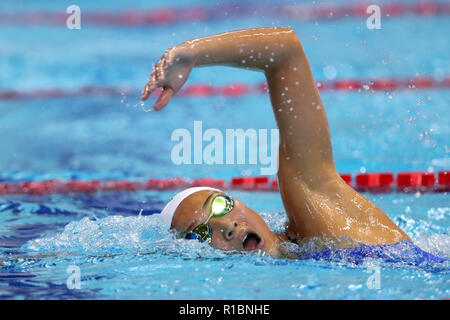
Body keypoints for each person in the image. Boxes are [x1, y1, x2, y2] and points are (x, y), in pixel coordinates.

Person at [141, 27, 414, 259]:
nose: (227, 227)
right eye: (199, 234)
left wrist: (193, 53)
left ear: (241, 203)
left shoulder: (317, 212)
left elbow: (285, 51)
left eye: (220, 206)